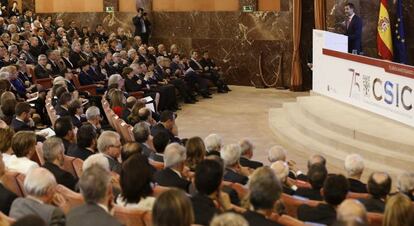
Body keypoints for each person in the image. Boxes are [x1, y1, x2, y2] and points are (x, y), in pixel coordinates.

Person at [191, 159, 232, 225]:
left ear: (194, 182)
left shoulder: (182, 206)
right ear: (220, 184)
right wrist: (229, 209)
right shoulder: (219, 219)